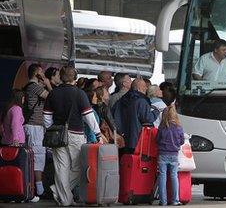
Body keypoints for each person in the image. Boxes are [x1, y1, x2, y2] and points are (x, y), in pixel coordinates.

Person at [43, 66, 102, 206]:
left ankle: (63, 197)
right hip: (76, 134)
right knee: (80, 166)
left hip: (57, 134)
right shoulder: (79, 94)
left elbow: (46, 117)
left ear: (62, 77)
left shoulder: (53, 93)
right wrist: (98, 133)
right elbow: (89, 117)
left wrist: (51, 130)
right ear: (75, 78)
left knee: (61, 167)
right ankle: (62, 196)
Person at [24, 63, 52, 198]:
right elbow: (52, 97)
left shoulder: (30, 87)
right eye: (42, 72)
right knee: (38, 157)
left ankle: (35, 189)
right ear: (37, 73)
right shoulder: (34, 87)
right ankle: (38, 190)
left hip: (34, 126)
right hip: (34, 126)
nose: (43, 74)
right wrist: (47, 82)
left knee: (35, 157)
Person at [112, 78, 157, 154]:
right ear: (139, 88)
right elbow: (147, 118)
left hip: (122, 137)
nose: (146, 88)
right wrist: (156, 111)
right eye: (144, 86)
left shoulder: (122, 99)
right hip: (137, 139)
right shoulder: (141, 101)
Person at [157, 105, 184, 206]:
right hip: (174, 154)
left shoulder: (162, 128)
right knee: (174, 176)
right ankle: (175, 200)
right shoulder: (179, 128)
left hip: (163, 154)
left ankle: (163, 201)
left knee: (162, 176)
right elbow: (181, 141)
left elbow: (157, 140)